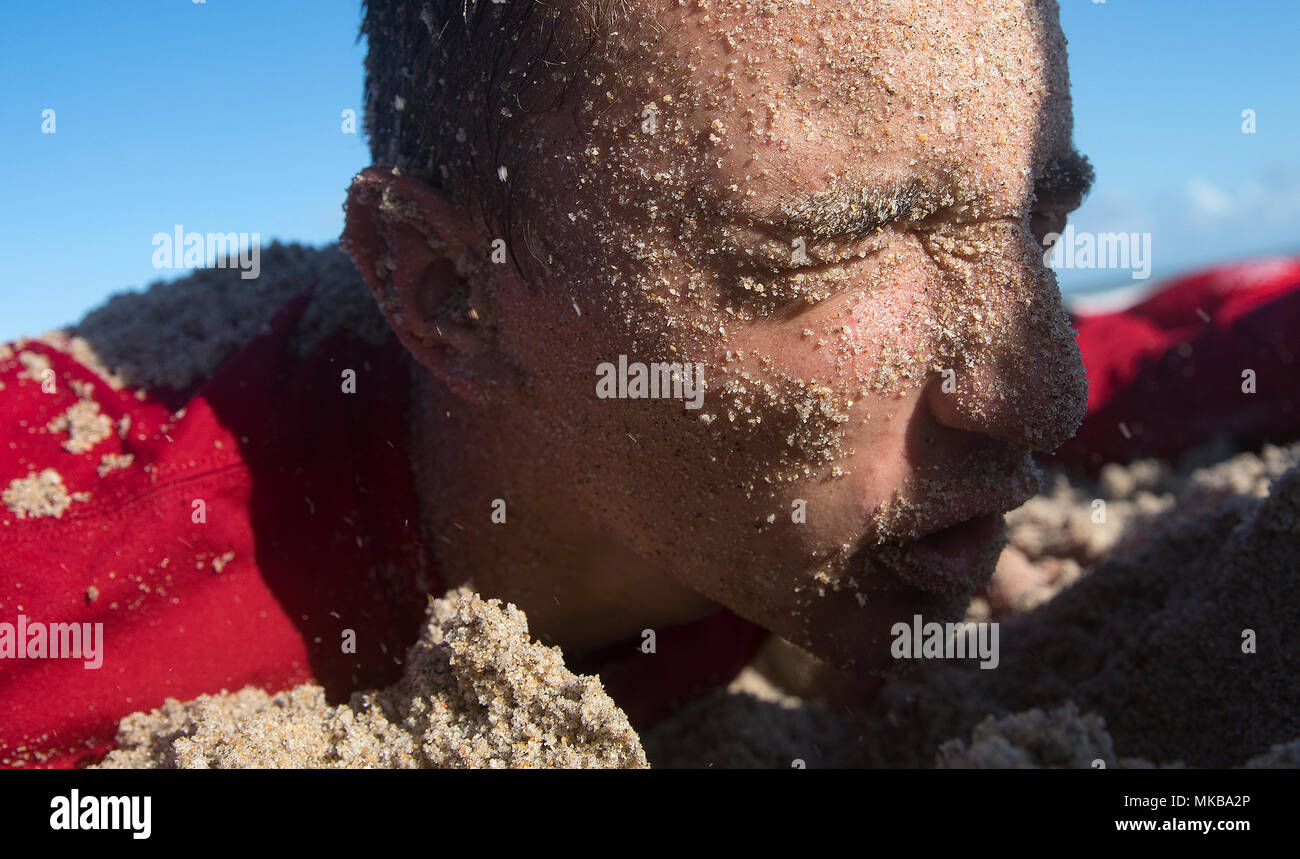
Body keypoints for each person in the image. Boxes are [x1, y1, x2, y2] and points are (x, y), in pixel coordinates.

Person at [8, 0, 1288, 768]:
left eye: (1034, 227)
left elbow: (1164, 356)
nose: (1035, 398)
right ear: (453, 294)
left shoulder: (818, 430)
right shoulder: (75, 598)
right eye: (824, 254)